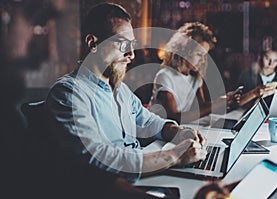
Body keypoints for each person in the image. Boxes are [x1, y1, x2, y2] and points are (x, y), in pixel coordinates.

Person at [46, 2, 208, 184]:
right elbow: (96, 157)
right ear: (93, 43)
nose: (132, 54)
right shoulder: (68, 93)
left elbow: (147, 121)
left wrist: (179, 132)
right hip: (111, 188)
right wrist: (174, 157)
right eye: (123, 44)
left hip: (139, 177)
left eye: (132, 45)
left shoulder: (120, 89)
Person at [148, 22, 239, 124]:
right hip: (155, 134)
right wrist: (216, 105)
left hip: (175, 130)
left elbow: (202, 108)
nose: (203, 60)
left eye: (205, 56)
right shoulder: (165, 76)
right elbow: (173, 117)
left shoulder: (194, 77)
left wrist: (224, 100)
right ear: (184, 51)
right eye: (199, 54)